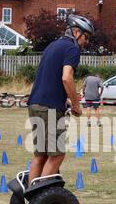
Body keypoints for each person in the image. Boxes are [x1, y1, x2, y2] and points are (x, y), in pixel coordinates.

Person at [27, 14, 94, 185]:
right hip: (49, 108)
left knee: (40, 155)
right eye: (86, 37)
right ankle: (40, 199)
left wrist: (67, 100)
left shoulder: (53, 46)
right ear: (77, 32)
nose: (86, 41)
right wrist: (77, 105)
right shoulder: (72, 49)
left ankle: (32, 200)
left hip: (35, 104)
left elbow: (50, 78)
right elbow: (66, 78)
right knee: (58, 155)